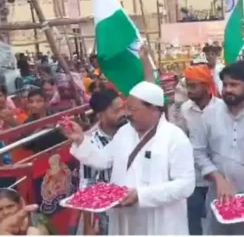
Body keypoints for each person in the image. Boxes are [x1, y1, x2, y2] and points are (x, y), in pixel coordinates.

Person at [61, 81, 195, 235]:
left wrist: (141, 195)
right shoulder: (124, 132)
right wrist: (80, 139)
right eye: (126, 108)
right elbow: (103, 159)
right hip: (126, 219)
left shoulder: (174, 137)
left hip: (160, 220)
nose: (127, 113)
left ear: (153, 108)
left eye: (132, 109)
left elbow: (186, 185)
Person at [191, 60, 244, 235]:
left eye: (234, 85)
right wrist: (218, 178)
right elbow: (198, 152)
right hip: (219, 199)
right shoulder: (209, 115)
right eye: (225, 84)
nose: (227, 89)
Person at [180, 65, 223, 235]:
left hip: (217, 176)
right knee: (193, 220)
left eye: (193, 86)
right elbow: (182, 137)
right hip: (194, 176)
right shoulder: (185, 109)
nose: (189, 90)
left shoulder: (221, 108)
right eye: (187, 85)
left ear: (206, 85)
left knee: (217, 219)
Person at [79, 89, 127, 235]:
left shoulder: (132, 131)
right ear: (100, 115)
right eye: (117, 110)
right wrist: (88, 225)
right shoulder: (90, 144)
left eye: (123, 107)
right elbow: (87, 185)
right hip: (109, 213)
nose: (123, 113)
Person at [23, 89, 67, 153]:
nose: (34, 105)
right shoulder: (27, 122)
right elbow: (25, 146)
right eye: (31, 102)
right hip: (42, 156)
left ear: (46, 102)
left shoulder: (56, 114)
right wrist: (38, 130)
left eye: (39, 101)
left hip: (63, 151)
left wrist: (57, 128)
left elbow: (67, 134)